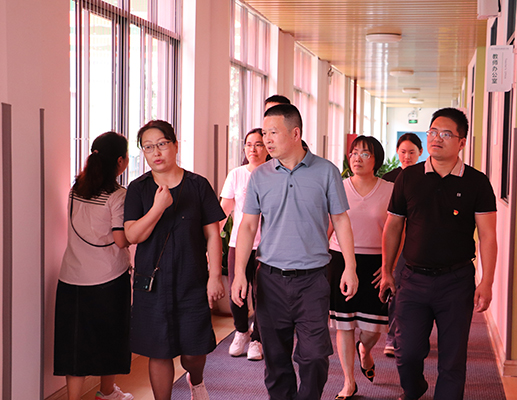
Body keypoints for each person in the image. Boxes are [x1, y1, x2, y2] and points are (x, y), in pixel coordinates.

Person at [231, 104, 359, 400]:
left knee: (314, 356)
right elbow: (247, 226)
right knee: (276, 359)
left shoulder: (326, 171)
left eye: (273, 133)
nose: (266, 140)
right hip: (270, 280)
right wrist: (239, 274)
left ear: (295, 133)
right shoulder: (260, 175)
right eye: (264, 133)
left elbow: (341, 220)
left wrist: (350, 267)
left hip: (313, 280)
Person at [379, 108, 497, 400]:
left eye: (446, 134)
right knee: (407, 353)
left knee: (452, 360)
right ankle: (415, 388)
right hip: (412, 279)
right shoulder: (409, 178)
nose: (436, 138)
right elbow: (393, 227)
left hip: (456, 281)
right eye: (432, 132)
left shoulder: (477, 182)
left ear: (461, 142)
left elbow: (487, 235)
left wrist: (487, 282)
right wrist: (387, 271)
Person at [124, 120, 226, 400]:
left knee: (194, 351)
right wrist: (157, 208)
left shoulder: (198, 185)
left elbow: (213, 235)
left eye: (161, 144)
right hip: (152, 283)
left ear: (175, 145)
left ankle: (196, 380)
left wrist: (215, 277)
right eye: (148, 147)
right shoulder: (138, 188)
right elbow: (132, 235)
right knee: (159, 351)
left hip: (191, 281)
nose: (155, 152)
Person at [54, 132, 133, 400]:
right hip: (109, 278)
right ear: (120, 161)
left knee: (74, 344)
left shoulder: (76, 189)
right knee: (111, 338)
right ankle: (107, 392)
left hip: (71, 278)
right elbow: (120, 240)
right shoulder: (118, 195)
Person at [328, 136, 393, 399]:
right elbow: (328, 226)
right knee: (344, 324)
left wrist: (389, 266)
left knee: (372, 328)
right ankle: (348, 381)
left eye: (365, 154)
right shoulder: (338, 188)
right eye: (354, 153)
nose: (357, 158)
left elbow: (397, 232)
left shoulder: (390, 190)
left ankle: (364, 350)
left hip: (376, 264)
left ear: (376, 160)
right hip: (341, 260)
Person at [220, 128, 269, 361]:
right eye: (249, 144)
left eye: (258, 144)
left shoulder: (274, 174)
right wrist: (210, 243)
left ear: (267, 148)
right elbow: (224, 210)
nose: (253, 149)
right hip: (238, 244)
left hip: (267, 246)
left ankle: (257, 338)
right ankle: (241, 331)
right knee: (236, 291)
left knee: (263, 294)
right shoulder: (236, 175)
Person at [381, 133, 423, 357]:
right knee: (395, 288)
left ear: (420, 153)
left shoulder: (425, 177)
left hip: (416, 243)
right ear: (397, 152)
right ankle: (393, 335)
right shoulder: (389, 179)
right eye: (403, 152)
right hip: (395, 243)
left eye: (412, 152)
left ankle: (413, 335)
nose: (407, 156)